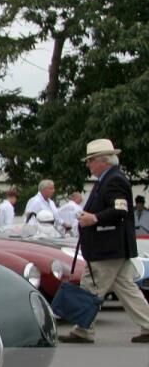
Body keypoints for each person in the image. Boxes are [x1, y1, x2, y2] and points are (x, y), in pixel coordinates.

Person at [59, 139, 149, 344]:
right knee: (126, 288)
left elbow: (120, 210)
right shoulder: (108, 180)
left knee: (90, 285)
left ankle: (83, 329)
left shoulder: (114, 180)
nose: (88, 164)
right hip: (113, 247)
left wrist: (94, 218)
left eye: (90, 160)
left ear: (103, 161)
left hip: (108, 247)